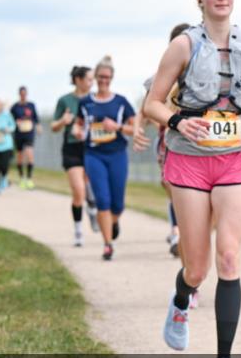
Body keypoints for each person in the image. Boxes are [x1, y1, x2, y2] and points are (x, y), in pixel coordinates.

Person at [144, 0, 241, 358]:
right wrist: (179, 122)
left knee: (230, 257)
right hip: (190, 160)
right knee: (197, 268)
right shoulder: (182, 46)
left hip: (236, 156)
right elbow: (153, 103)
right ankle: (182, 300)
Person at [133, 22, 192, 263]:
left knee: (189, 193)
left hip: (197, 143)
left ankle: (183, 233)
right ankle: (179, 232)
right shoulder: (159, 77)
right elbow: (145, 108)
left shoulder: (204, 76)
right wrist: (137, 128)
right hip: (167, 142)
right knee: (172, 187)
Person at [74, 55, 136, 260]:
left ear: (112, 78)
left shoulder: (121, 102)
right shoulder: (85, 103)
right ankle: (107, 244)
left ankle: (113, 221)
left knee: (117, 204)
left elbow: (134, 128)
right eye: (100, 76)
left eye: (107, 77)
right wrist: (77, 130)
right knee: (103, 200)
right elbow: (79, 124)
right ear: (95, 77)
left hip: (117, 154)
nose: (103, 80)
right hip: (94, 155)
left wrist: (117, 126)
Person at [52, 65, 99, 247]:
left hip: (90, 148)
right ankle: (78, 231)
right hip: (71, 149)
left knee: (90, 187)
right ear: (78, 80)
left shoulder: (94, 100)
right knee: (78, 191)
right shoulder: (65, 100)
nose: (92, 82)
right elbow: (53, 127)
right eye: (89, 79)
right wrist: (63, 121)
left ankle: (93, 209)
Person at [11, 86, 40, 189]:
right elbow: (11, 120)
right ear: (19, 94)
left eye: (25, 93)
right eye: (21, 93)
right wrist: (16, 122)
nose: (23, 95)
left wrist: (38, 127)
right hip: (19, 133)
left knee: (29, 154)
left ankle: (29, 178)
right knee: (20, 156)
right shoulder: (15, 107)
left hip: (29, 133)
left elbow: (36, 118)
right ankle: (21, 178)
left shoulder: (31, 105)